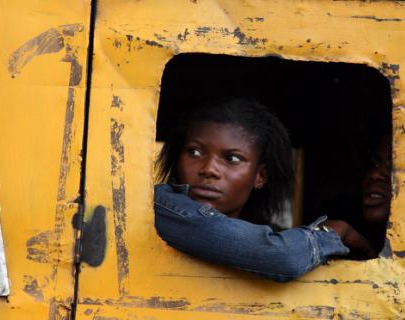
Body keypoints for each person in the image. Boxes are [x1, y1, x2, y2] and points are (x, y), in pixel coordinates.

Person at [154, 97, 370, 282]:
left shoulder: (266, 231)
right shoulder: (163, 208)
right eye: (194, 152)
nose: (209, 169)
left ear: (260, 176)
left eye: (232, 158)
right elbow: (283, 257)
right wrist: (330, 234)